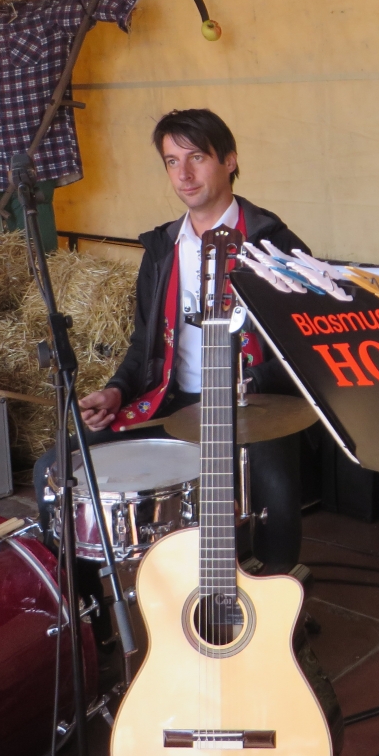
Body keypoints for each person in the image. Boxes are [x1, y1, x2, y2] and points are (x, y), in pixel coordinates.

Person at [35, 108, 309, 576]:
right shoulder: (163, 248)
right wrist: (117, 390)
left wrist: (249, 385)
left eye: (196, 157)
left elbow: (302, 349)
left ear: (229, 160)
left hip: (254, 406)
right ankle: (85, 606)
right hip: (170, 403)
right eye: (171, 161)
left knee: (276, 495)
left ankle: (278, 595)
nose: (183, 174)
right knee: (57, 469)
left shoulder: (273, 245)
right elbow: (143, 345)